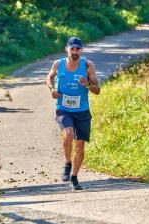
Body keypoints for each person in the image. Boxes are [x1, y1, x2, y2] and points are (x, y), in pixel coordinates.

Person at [46, 37, 101, 190]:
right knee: (68, 134)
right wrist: (52, 90)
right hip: (64, 108)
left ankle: (74, 177)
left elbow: (97, 90)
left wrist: (88, 84)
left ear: (81, 50)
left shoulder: (88, 66)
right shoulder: (58, 64)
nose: (75, 52)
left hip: (82, 111)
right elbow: (49, 77)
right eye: (72, 49)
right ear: (67, 49)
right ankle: (67, 163)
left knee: (80, 147)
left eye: (78, 49)